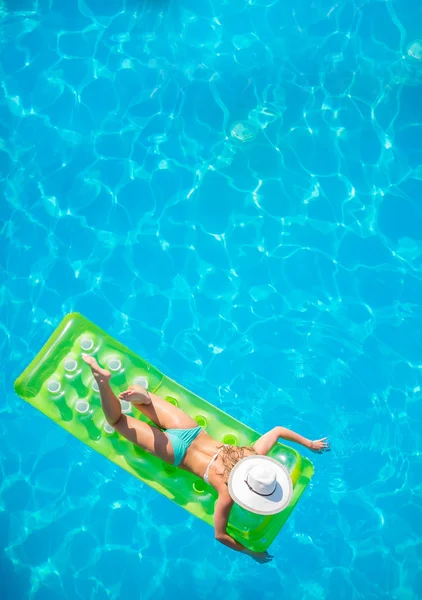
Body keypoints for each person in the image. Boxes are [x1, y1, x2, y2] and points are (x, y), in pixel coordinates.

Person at [82, 355, 330, 563]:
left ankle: (144, 399)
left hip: (191, 431)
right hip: (177, 452)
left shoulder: (252, 454)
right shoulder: (227, 494)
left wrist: (309, 443)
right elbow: (219, 535)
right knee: (118, 421)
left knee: (147, 401)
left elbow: (277, 430)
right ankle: (103, 383)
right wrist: (250, 552)